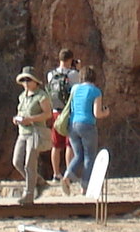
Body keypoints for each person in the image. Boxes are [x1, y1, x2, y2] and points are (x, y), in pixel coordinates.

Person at [10, 68, 53, 203]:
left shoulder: (42, 96)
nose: (26, 82)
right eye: (23, 80)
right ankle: (39, 182)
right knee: (17, 162)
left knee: (30, 163)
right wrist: (17, 119)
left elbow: (48, 114)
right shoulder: (22, 96)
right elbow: (21, 111)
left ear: (35, 81)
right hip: (22, 133)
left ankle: (28, 194)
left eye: (28, 79)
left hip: (35, 133)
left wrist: (31, 119)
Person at [64, 66, 104, 193]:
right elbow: (97, 113)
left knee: (78, 155)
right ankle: (84, 186)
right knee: (89, 157)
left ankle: (67, 174)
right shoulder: (95, 91)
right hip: (87, 125)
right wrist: (106, 112)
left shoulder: (75, 88)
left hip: (73, 125)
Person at [46, 51, 81, 187]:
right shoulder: (73, 74)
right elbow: (77, 88)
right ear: (70, 59)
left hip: (55, 112)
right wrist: (76, 69)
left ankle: (56, 174)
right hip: (69, 112)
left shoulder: (51, 74)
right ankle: (69, 174)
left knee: (56, 145)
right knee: (69, 144)